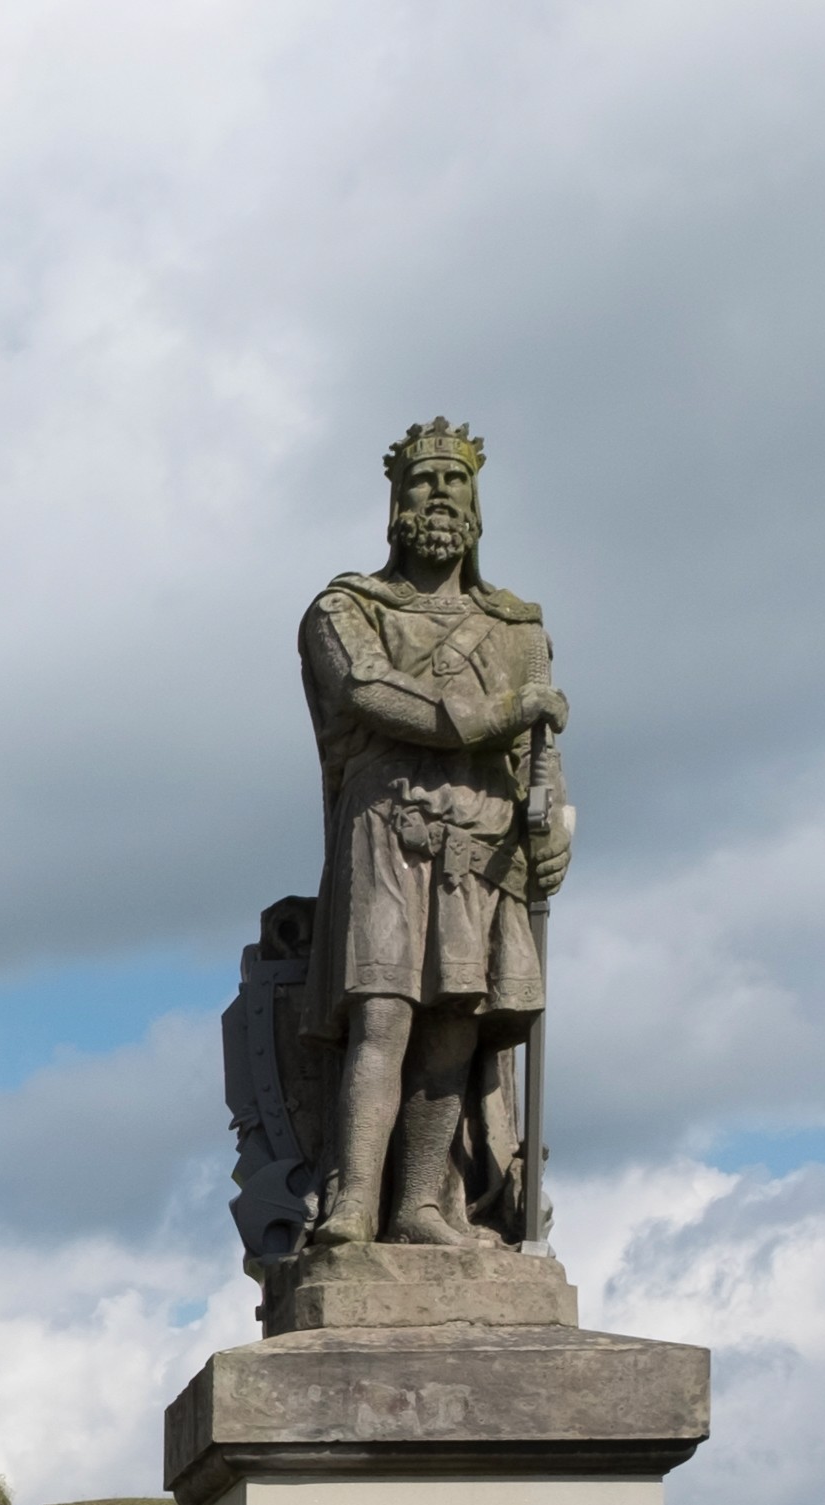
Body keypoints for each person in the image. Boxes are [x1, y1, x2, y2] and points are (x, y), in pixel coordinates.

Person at [299, 420, 572, 1248]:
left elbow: (541, 756)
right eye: (423, 482)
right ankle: (353, 1202)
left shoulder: (518, 629)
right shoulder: (346, 610)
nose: (440, 496)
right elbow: (370, 695)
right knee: (382, 1012)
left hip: (486, 843)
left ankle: (420, 1203)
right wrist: (497, 713)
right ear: (395, 506)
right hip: (389, 825)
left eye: (456, 483)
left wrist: (553, 826)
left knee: (456, 1020)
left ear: (478, 509)